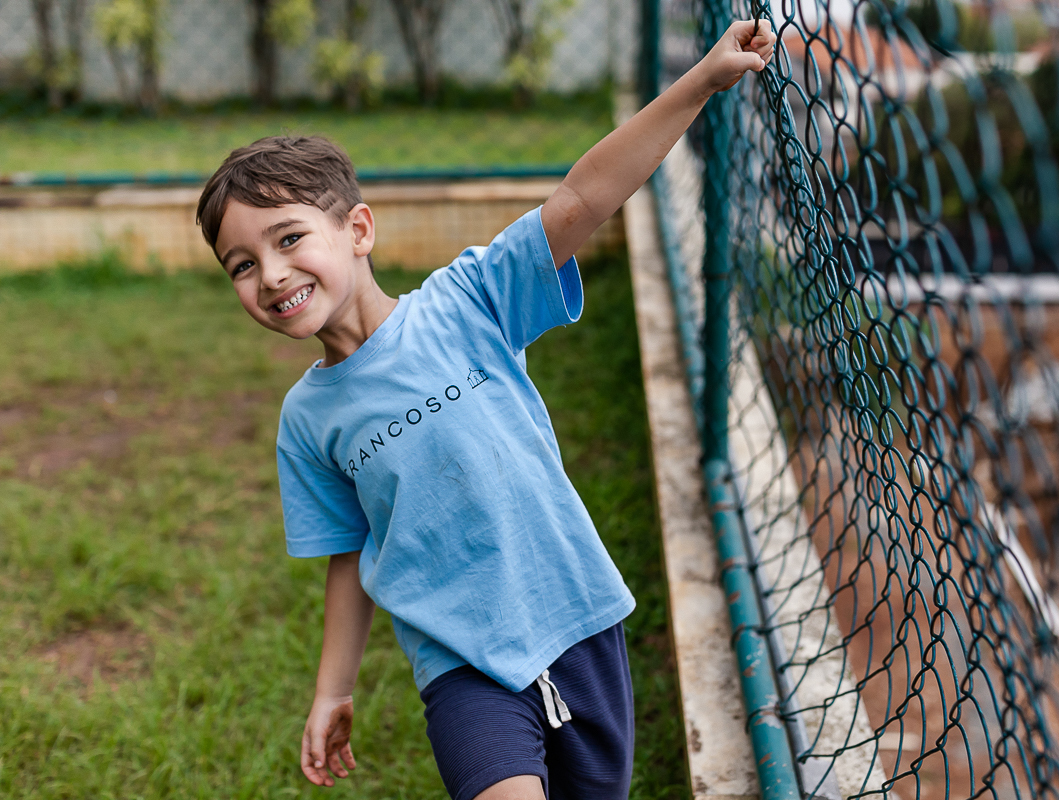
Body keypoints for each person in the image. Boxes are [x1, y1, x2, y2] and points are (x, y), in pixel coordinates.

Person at [194, 20, 774, 800]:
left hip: (575, 618)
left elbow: (583, 196)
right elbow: (348, 552)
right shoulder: (306, 421)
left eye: (289, 238)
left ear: (357, 229)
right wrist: (333, 689)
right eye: (241, 265)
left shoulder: (469, 302)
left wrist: (700, 81)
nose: (270, 274)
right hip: (459, 664)